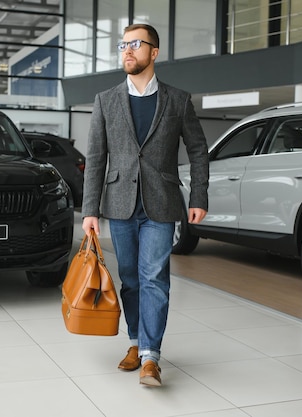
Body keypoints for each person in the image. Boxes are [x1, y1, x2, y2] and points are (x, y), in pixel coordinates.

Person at [81, 23, 209, 387]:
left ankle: (151, 356)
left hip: (162, 204)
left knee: (155, 278)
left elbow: (198, 150)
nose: (127, 50)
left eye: (135, 44)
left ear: (154, 52)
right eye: (123, 44)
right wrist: (90, 210)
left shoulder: (178, 100)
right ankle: (135, 343)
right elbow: (96, 157)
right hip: (119, 204)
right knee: (132, 281)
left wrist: (198, 196)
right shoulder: (105, 100)